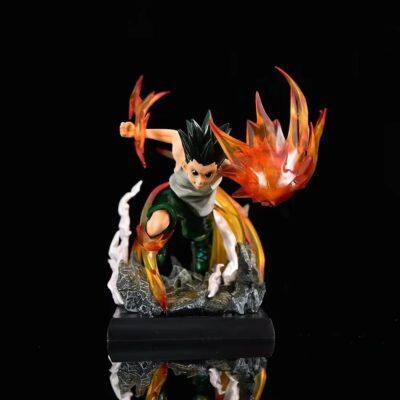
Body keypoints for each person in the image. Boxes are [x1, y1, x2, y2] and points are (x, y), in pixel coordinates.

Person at [120, 111, 231, 275]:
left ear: (218, 169)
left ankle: (201, 255)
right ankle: (155, 258)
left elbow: (252, 174)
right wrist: (137, 131)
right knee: (155, 225)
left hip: (199, 209)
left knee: (200, 240)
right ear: (186, 166)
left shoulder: (225, 167)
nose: (200, 181)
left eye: (208, 174)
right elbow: (171, 135)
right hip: (174, 197)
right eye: (195, 173)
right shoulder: (181, 152)